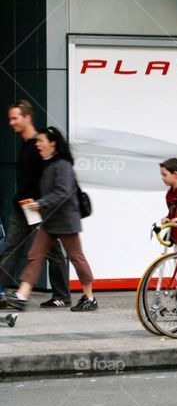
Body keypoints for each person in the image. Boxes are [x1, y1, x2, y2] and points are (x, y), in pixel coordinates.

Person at [4, 127, 96, 311]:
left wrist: (40, 203)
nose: (37, 144)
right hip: (50, 220)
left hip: (65, 221)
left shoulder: (62, 164)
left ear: (52, 143)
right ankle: (22, 295)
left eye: (41, 141)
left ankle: (89, 297)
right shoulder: (49, 163)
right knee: (34, 256)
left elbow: (63, 192)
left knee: (76, 257)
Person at [0, 100, 71, 308]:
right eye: (10, 119)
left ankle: (62, 295)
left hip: (38, 208)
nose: (11, 122)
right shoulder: (25, 144)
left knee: (52, 252)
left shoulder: (40, 144)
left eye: (15, 118)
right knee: (11, 248)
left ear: (27, 117)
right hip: (22, 207)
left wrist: (42, 203)